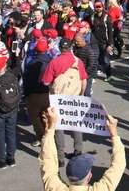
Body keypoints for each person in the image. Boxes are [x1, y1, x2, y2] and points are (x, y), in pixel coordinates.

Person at [40, 107, 126, 191]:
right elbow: (118, 165)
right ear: (89, 178)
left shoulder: (54, 187)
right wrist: (113, 132)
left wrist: (51, 126)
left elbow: (48, 161)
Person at [41, 38, 88, 167]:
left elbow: (45, 81)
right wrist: (81, 93)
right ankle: (78, 151)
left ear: (60, 48)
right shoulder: (77, 62)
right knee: (76, 124)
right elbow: (84, 81)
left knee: (59, 127)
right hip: (74, 96)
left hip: (59, 98)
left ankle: (60, 157)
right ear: (71, 48)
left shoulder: (54, 62)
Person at [0, 56, 20, 169]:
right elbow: (18, 67)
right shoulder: (11, 75)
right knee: (11, 132)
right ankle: (11, 157)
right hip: (13, 108)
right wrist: (16, 55)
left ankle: (1, 159)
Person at [23, 37, 52, 147]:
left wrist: (26, 94)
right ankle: (49, 134)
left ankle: (42, 136)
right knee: (47, 115)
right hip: (49, 92)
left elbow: (27, 81)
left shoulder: (32, 63)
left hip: (35, 93)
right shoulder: (50, 59)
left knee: (34, 115)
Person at [91, 1, 114, 82]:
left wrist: (109, 44)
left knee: (105, 60)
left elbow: (110, 32)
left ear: (102, 7)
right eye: (96, 7)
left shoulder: (106, 18)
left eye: (99, 7)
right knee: (94, 59)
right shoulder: (92, 17)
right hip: (95, 42)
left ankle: (108, 75)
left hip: (105, 42)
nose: (98, 8)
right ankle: (94, 77)